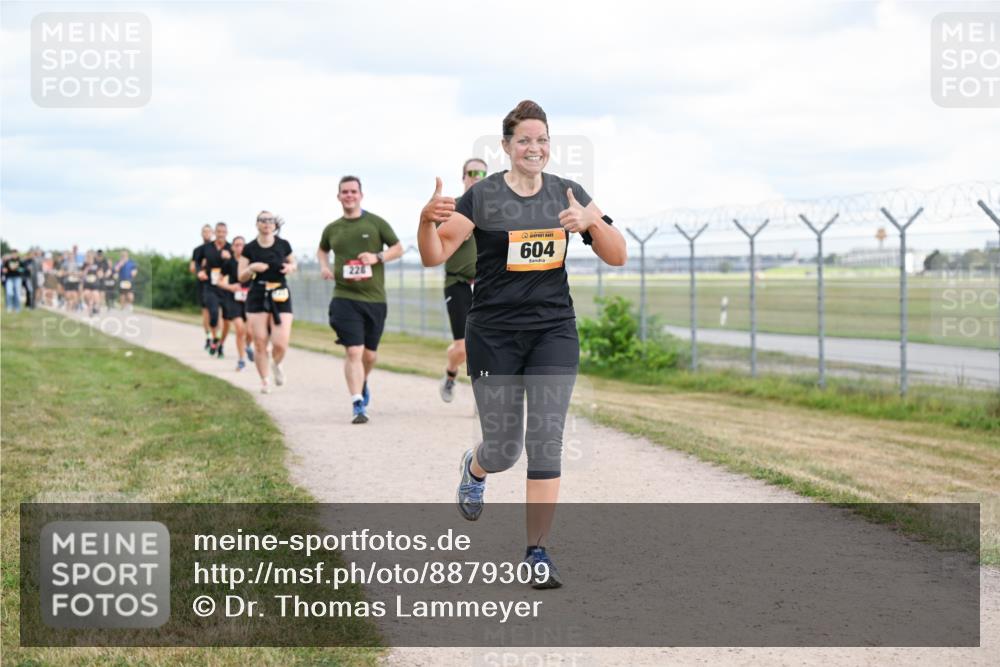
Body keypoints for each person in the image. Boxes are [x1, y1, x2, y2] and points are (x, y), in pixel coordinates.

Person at [418, 100, 626, 588]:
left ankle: (537, 551)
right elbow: (435, 254)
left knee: (546, 440)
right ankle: (475, 468)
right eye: (525, 140)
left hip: (553, 330)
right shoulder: (483, 197)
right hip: (494, 335)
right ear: (507, 146)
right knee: (505, 449)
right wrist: (425, 221)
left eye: (543, 140)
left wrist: (591, 224)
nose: (535, 148)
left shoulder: (568, 193)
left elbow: (617, 255)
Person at [317, 175, 404, 424]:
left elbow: (398, 248)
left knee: (369, 356)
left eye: (353, 191)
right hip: (344, 297)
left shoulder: (375, 223)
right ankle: (357, 403)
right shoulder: (332, 228)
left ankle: (362, 382)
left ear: (361, 195)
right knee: (354, 350)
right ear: (338, 196)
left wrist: (378, 257)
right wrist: (324, 266)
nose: (349, 195)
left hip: (374, 299)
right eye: (345, 192)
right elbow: (322, 249)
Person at [438, 158, 487, 403]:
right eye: (472, 173)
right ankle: (450, 374)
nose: (477, 177)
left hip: (487, 285)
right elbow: (437, 241)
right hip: (458, 283)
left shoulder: (495, 210)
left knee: (487, 344)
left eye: (482, 174)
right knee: (462, 347)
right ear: (463, 177)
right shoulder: (452, 208)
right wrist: (458, 230)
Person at [239, 211, 296, 393]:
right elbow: (241, 276)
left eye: (270, 220)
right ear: (257, 224)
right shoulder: (249, 248)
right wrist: (252, 268)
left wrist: (290, 267)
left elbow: (294, 264)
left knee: (281, 343)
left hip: (280, 292)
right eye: (263, 220)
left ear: (274, 225)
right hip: (258, 293)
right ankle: (264, 380)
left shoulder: (283, 244)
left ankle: (276, 364)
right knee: (260, 341)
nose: (266, 223)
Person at [219, 235, 254, 371]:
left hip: (249, 299)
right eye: (237, 245)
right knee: (240, 329)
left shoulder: (251, 262)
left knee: (250, 332)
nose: (240, 247)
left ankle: (247, 346)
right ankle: (241, 360)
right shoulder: (228, 263)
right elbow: (218, 281)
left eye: (242, 245)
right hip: (233, 298)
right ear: (232, 247)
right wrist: (230, 287)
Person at [200, 222, 234, 357]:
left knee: (227, 320)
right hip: (211, 286)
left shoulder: (231, 248)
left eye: (223, 232)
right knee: (213, 315)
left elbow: (237, 264)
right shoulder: (207, 248)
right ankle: (215, 338)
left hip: (226, 287)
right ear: (214, 232)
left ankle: (221, 344)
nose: (221, 234)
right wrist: (200, 271)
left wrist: (229, 258)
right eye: (218, 232)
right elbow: (197, 263)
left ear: (227, 233)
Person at [190, 224, 214, 351]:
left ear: (212, 233)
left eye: (209, 232)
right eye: (204, 232)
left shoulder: (217, 248)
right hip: (203, 284)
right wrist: (200, 270)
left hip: (217, 284)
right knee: (206, 312)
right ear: (201, 234)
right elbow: (192, 267)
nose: (206, 234)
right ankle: (208, 337)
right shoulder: (197, 250)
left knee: (217, 312)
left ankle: (216, 338)